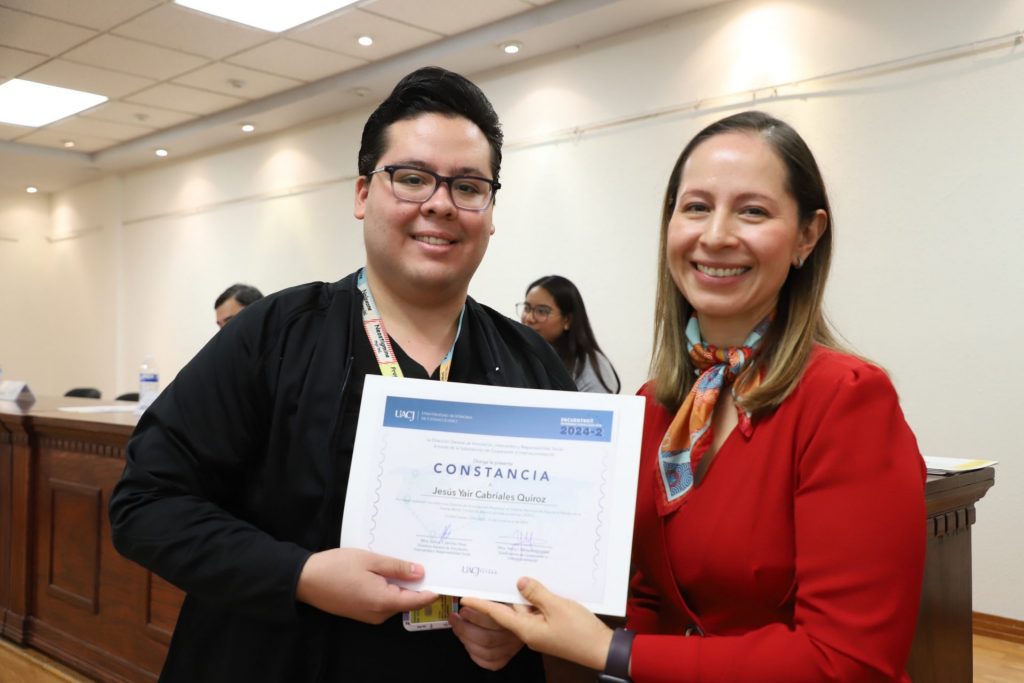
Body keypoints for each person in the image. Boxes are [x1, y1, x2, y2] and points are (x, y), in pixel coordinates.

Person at [109, 67, 576, 682]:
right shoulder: (273, 336)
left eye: (468, 186)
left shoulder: (530, 363)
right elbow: (146, 504)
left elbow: (564, 553)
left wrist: (519, 624)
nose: (439, 203)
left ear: (490, 213)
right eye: (412, 178)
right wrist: (300, 575)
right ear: (362, 195)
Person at [463, 111, 926, 682]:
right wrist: (526, 620)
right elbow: (649, 595)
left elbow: (849, 663)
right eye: (697, 207)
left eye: (753, 211)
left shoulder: (847, 399)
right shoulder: (657, 404)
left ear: (807, 235)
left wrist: (614, 652)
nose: (716, 236)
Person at [517, 275, 621, 393]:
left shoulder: (590, 367)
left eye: (541, 311)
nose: (529, 318)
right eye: (527, 308)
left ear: (567, 320)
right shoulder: (520, 355)